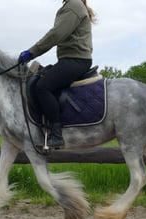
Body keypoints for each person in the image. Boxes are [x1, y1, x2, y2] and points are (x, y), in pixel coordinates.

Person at [18, 0, 96, 148]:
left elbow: (56, 34)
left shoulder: (74, 5)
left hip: (76, 60)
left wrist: (32, 51)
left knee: (43, 86)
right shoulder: (72, 5)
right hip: (71, 59)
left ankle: (56, 133)